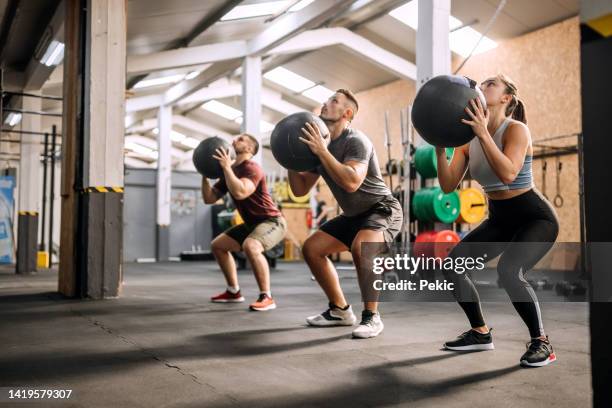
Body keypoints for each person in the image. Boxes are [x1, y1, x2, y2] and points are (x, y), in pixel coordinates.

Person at [436, 74, 559, 367]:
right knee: (453, 266)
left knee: (509, 271)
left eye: (491, 84)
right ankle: (480, 333)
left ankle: (542, 342)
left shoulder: (516, 130)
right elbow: (447, 185)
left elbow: (508, 174)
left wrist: (482, 133)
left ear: (506, 98)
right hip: (500, 220)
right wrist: (441, 147)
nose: (483, 86)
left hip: (535, 218)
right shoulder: (468, 141)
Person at [288, 89, 403, 339]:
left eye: (333, 101)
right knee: (312, 248)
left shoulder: (355, 140)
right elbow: (299, 189)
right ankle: (339, 310)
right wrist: (290, 159)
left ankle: (372, 317)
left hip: (382, 208)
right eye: (327, 100)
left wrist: (322, 152)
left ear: (347, 113)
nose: (325, 104)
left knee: (363, 248)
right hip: (353, 215)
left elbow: (352, 182)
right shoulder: (320, 146)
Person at [201, 133, 287, 311]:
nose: (234, 140)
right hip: (252, 224)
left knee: (251, 246)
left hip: (272, 221)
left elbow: (241, 192)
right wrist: (204, 174)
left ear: (249, 148)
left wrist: (226, 168)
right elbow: (209, 198)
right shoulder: (230, 171)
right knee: (218, 245)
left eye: (240, 139)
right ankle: (234, 291)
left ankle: (267, 297)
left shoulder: (252, 168)